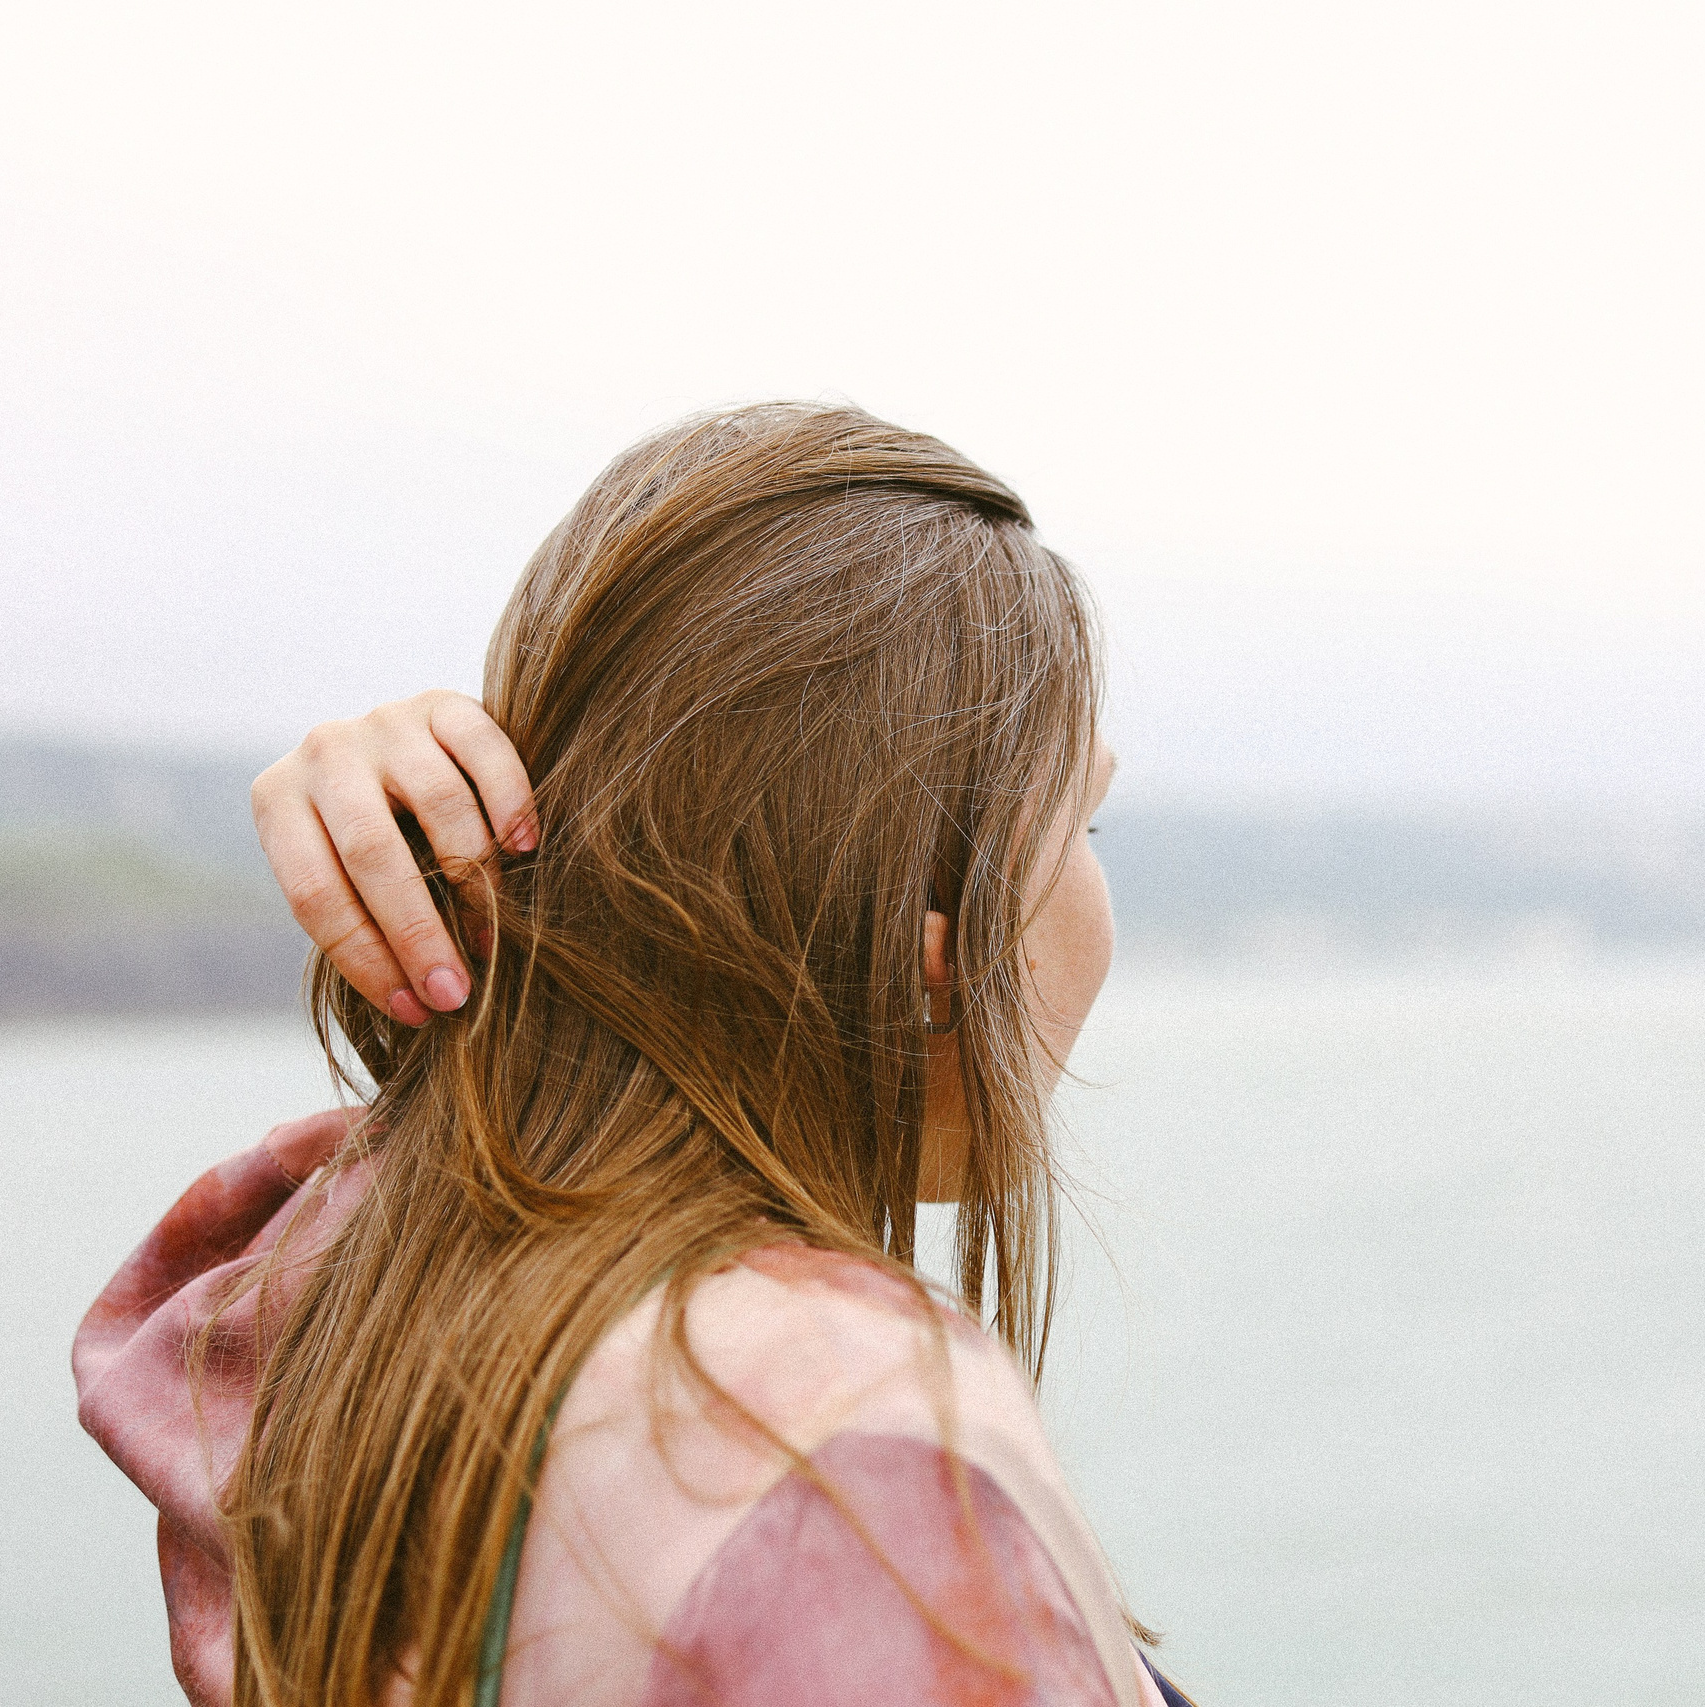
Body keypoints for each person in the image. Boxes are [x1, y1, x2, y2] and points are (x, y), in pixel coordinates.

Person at [74, 403, 1191, 1707]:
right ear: (940, 940)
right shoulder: (836, 1436)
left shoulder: (337, 1300)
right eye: (1088, 828)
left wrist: (497, 915)